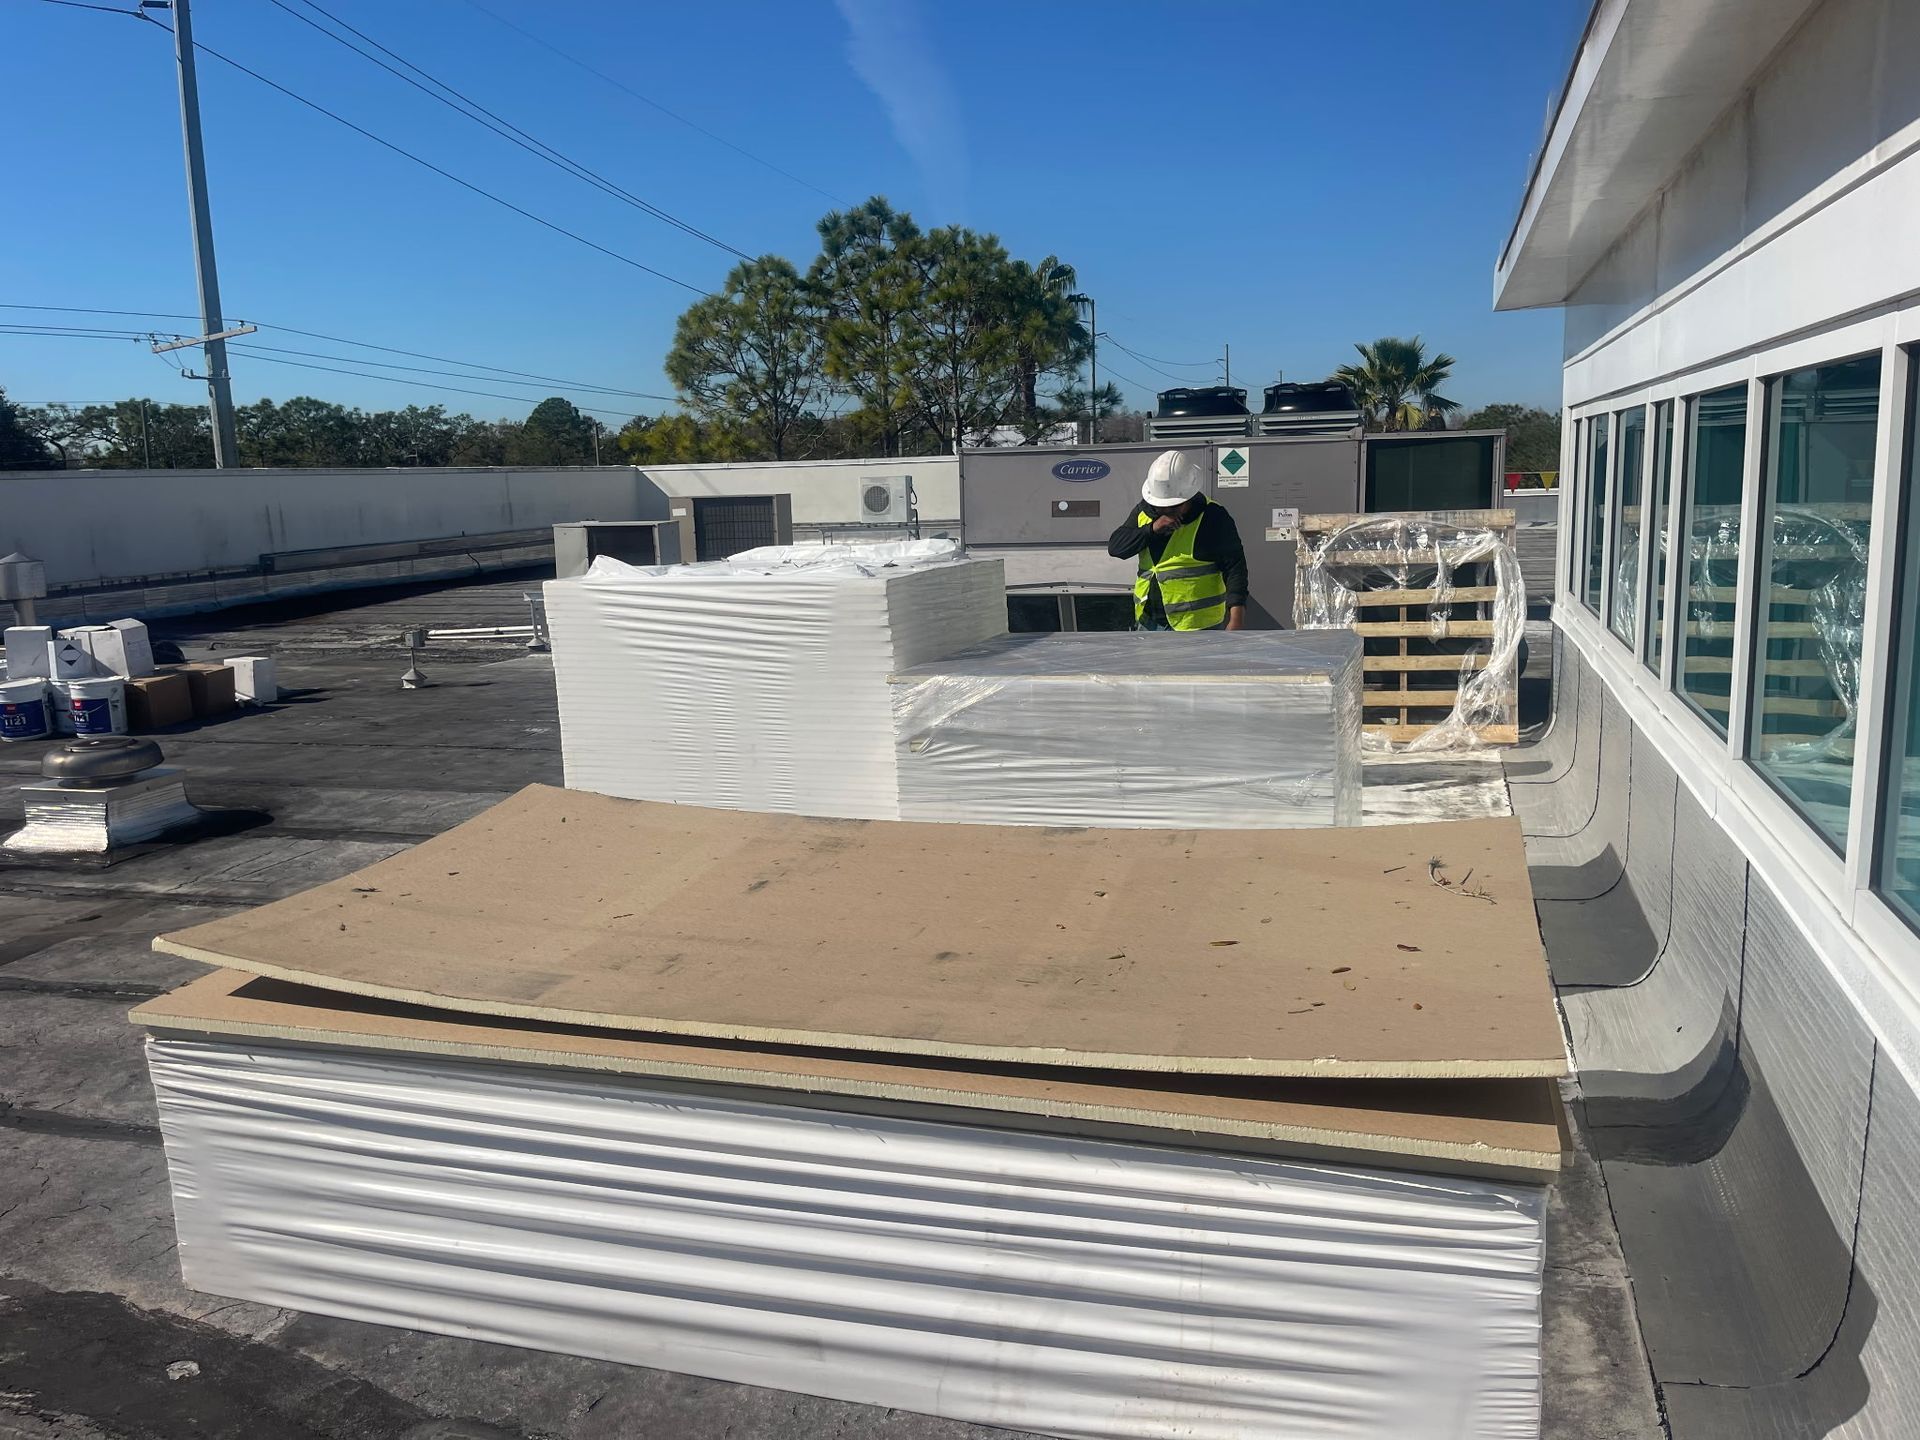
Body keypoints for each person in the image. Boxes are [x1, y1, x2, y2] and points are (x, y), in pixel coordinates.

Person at [1107, 449, 1249, 631]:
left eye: (1175, 507)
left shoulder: (1212, 516)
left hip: (1198, 626)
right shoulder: (1144, 512)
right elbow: (1116, 547)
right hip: (1149, 622)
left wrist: (1236, 619)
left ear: (1189, 496)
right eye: (1161, 507)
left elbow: (1235, 568)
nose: (1167, 512)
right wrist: (1152, 529)